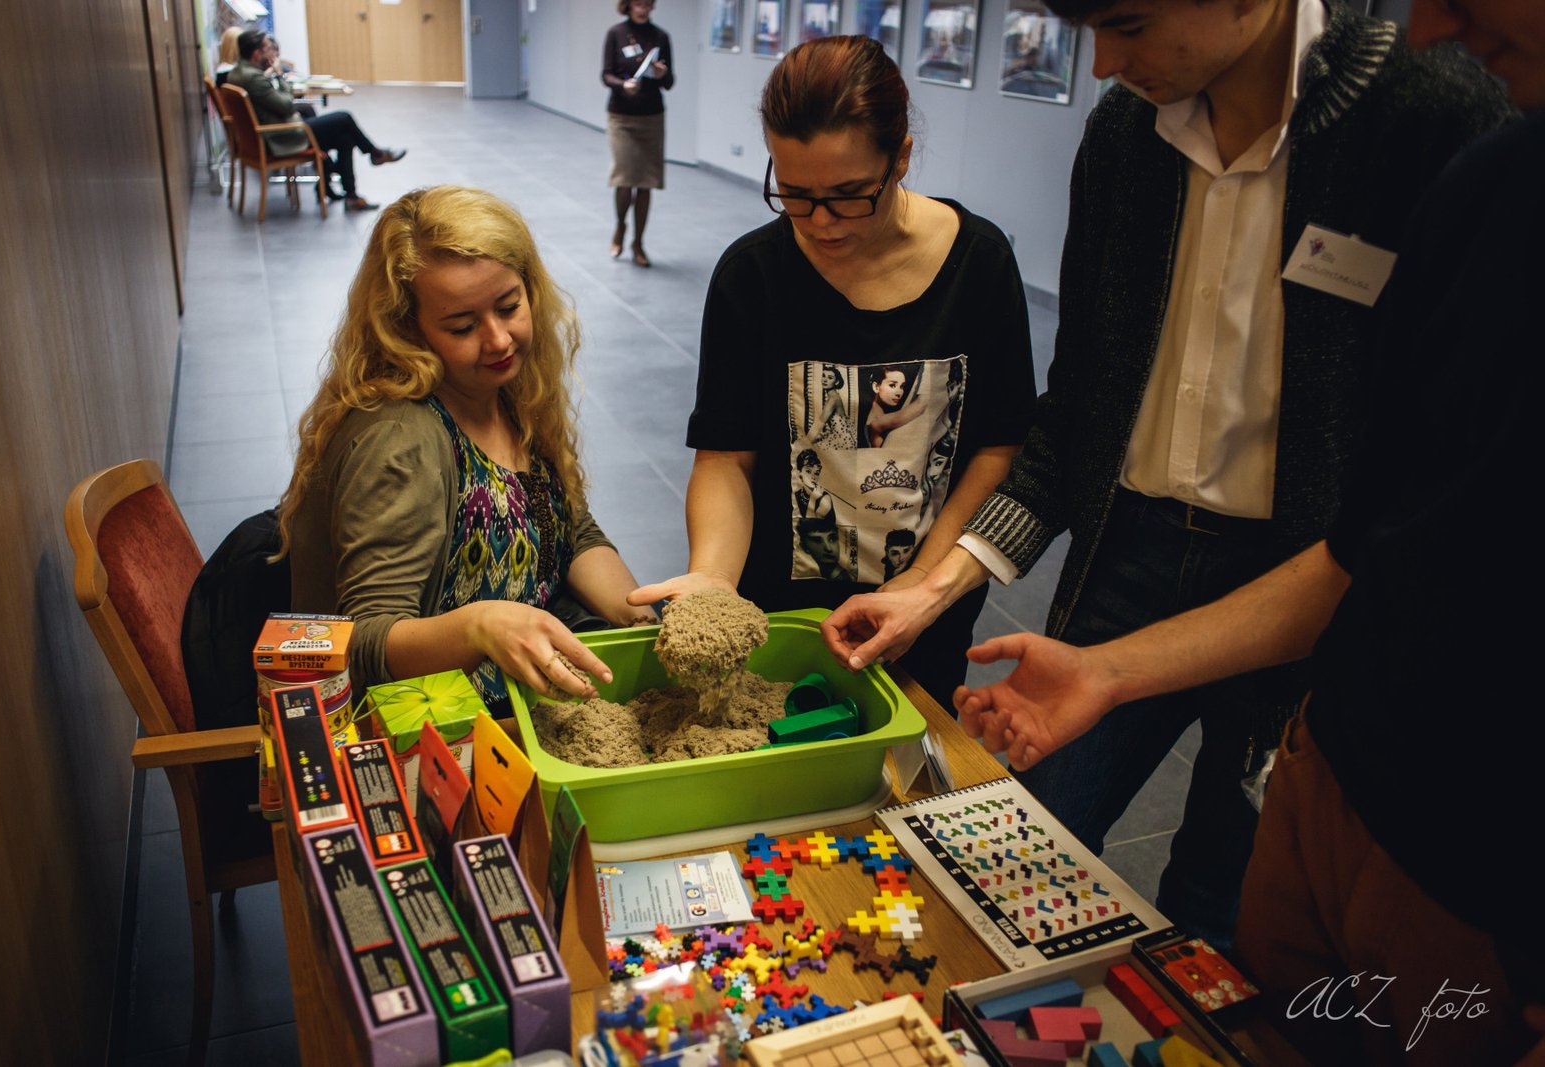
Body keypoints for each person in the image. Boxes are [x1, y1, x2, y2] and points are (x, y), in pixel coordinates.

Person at [821, 0, 1511, 951]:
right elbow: (1075, 419)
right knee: (1019, 851)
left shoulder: (1429, 114)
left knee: (1226, 908)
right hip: (1131, 552)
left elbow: (1417, 492)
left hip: (1315, 588)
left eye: (1131, 23)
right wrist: (931, 589)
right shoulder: (1123, 133)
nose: (1103, 62)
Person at [629, 35, 1038, 711]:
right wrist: (714, 576)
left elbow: (998, 447)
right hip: (780, 619)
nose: (820, 223)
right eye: (794, 194)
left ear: (900, 157)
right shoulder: (752, 276)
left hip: (921, 615)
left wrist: (922, 583)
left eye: (849, 195)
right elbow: (726, 457)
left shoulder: (980, 264)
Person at [276, 186, 657, 711]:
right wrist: (479, 627)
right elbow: (362, 640)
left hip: (522, 699)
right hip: (435, 724)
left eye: (509, 307)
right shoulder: (398, 440)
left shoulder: (507, 389)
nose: (498, 340)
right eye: (463, 326)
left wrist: (639, 619)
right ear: (406, 329)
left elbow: (572, 532)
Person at [227, 28, 405, 211]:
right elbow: (287, 105)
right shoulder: (254, 78)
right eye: (267, 49)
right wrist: (279, 75)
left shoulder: (238, 73)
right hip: (282, 136)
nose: (271, 53)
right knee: (344, 118)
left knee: (345, 138)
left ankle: (349, 191)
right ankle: (373, 155)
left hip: (272, 133)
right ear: (257, 54)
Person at [602, 0, 673, 267]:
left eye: (647, 3)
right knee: (624, 177)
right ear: (628, 5)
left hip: (651, 117)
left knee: (646, 182)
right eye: (638, 3)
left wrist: (662, 73)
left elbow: (670, 82)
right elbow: (606, 74)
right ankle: (620, 226)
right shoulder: (616, 33)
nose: (643, 8)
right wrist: (623, 85)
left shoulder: (660, 36)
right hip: (621, 116)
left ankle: (638, 243)